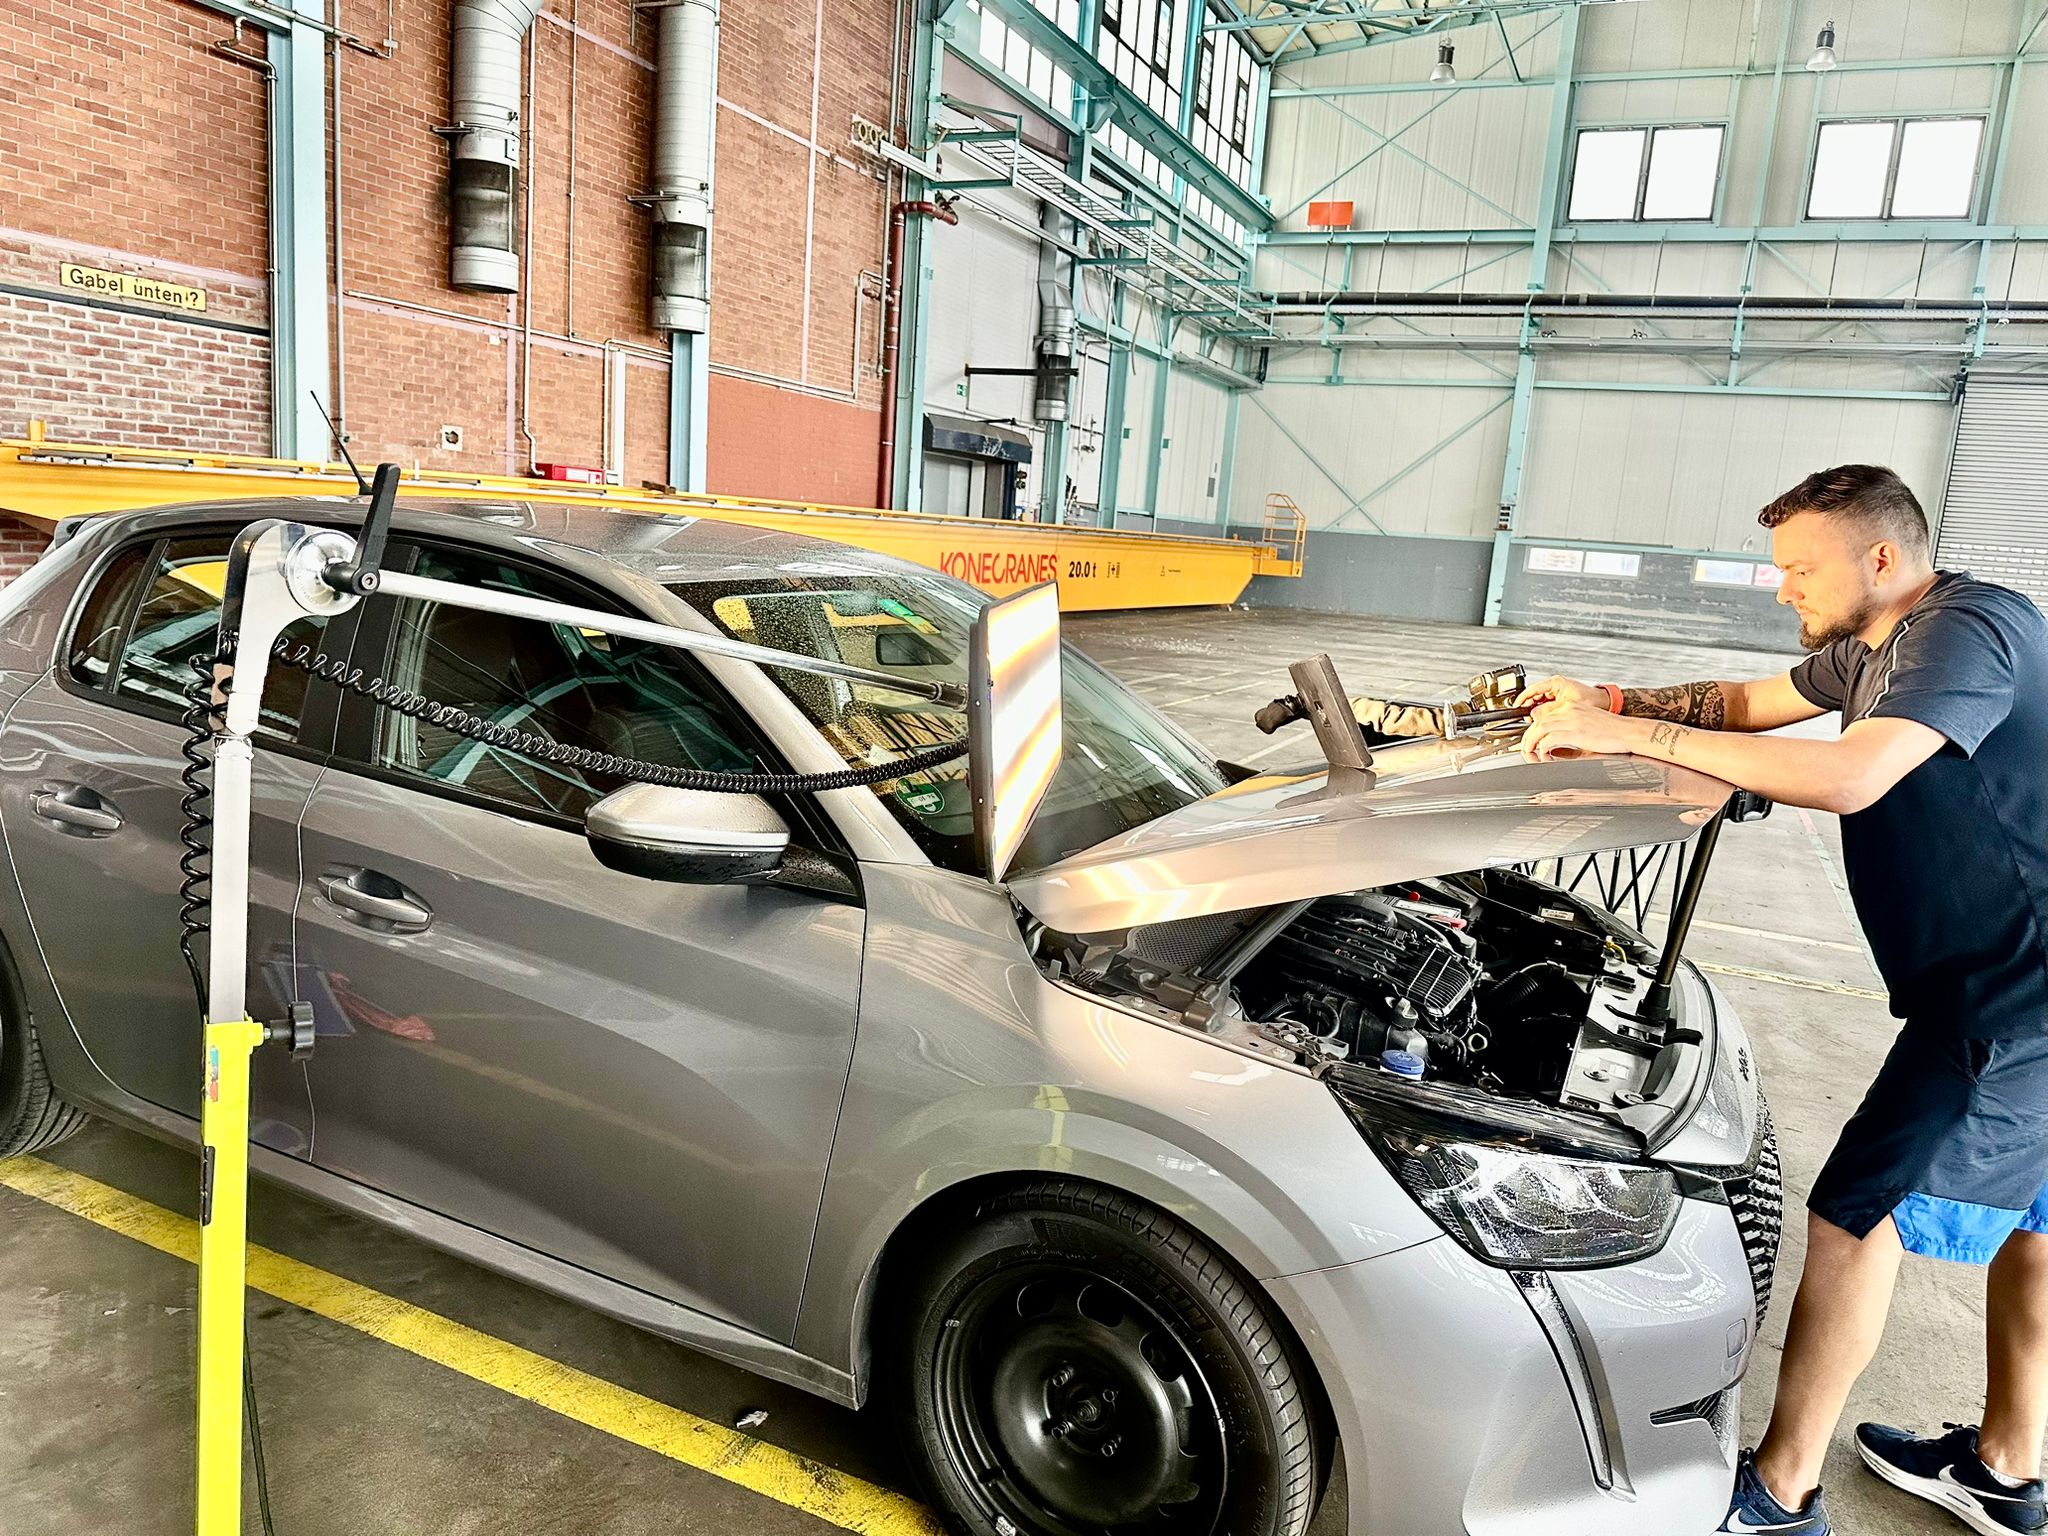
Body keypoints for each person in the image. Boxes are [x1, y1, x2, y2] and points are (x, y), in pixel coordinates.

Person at [1516, 465, 2048, 1536]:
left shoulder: (1965, 631)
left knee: (1855, 1217)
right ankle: (2005, 1469)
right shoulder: (1879, 641)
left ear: (1881, 557)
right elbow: (1753, 704)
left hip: (2014, 1000)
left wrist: (1633, 740)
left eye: (1800, 568)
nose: (1781, 586)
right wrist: (1612, 702)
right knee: (2032, 1228)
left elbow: (1850, 775)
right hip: (2001, 980)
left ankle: (1779, 1498)